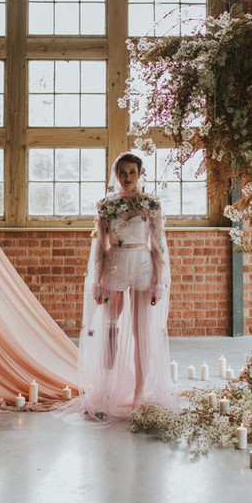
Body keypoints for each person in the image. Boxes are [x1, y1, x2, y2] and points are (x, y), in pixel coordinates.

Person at [73, 151, 176, 421]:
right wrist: (97, 280)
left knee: (142, 333)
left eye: (132, 172)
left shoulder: (151, 204)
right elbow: (101, 245)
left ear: (140, 173)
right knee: (110, 333)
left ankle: (141, 395)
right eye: (123, 172)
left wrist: (158, 281)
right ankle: (106, 392)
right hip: (115, 266)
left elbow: (159, 245)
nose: (127, 177)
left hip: (143, 266)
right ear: (116, 175)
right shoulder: (107, 205)